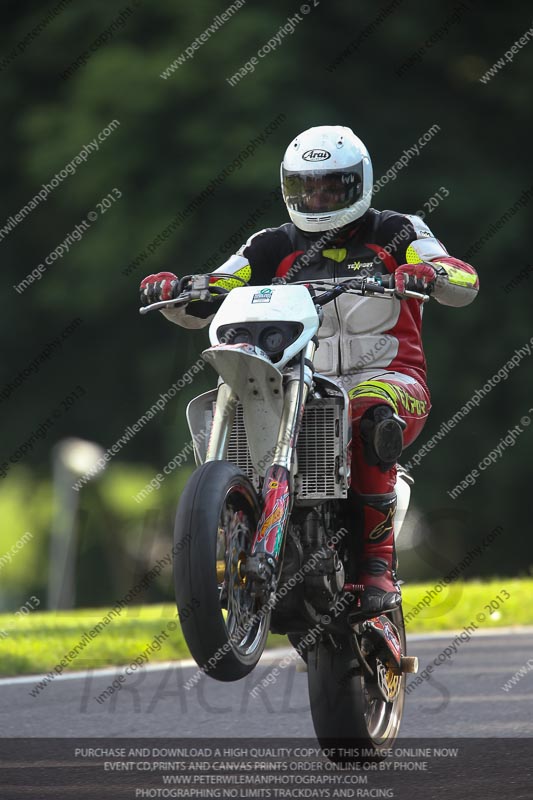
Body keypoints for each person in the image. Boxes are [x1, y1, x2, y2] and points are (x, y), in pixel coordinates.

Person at [140, 125, 479, 615]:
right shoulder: (270, 245)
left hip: (392, 378)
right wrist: (179, 289)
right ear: (288, 188)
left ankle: (376, 570)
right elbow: (221, 283)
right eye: (306, 187)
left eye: (331, 186)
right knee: (239, 409)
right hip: (302, 386)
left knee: (369, 411)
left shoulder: (399, 230)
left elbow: (462, 276)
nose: (318, 198)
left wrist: (431, 273)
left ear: (358, 184)